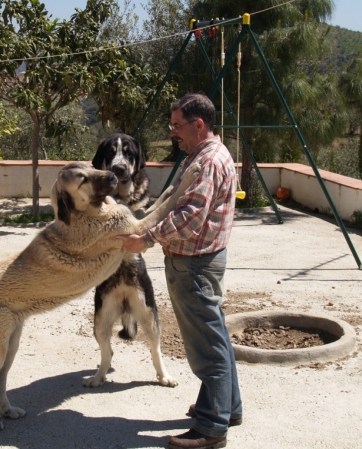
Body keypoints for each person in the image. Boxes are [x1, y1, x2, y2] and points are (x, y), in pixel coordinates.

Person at [117, 93, 242, 449]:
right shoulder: (206, 156)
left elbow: (190, 215)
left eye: (176, 126)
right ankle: (226, 408)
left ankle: (212, 429)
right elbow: (177, 200)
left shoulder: (208, 162)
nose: (173, 133)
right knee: (216, 339)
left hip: (195, 268)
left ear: (198, 124)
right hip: (202, 263)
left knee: (208, 349)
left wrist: (147, 238)